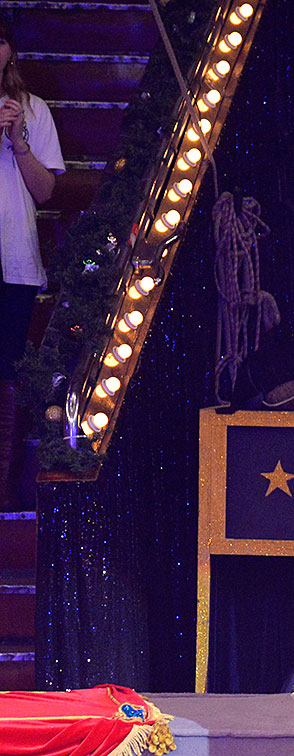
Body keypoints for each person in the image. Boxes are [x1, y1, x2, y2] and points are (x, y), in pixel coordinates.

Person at [0, 16, 62, 507]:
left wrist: (18, 140)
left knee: (6, 377)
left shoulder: (32, 110)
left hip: (13, 263)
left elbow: (45, 192)